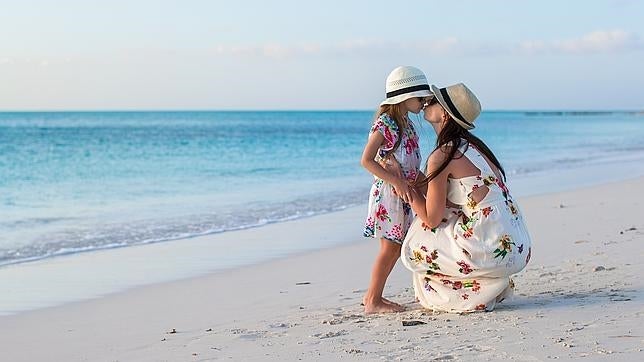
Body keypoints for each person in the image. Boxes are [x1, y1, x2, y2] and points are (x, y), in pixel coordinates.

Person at [401, 83, 532, 313]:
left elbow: (432, 218)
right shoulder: (476, 148)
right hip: (516, 244)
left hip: (492, 247)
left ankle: (468, 291)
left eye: (432, 101)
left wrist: (407, 192)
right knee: (448, 215)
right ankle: (488, 283)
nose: (425, 104)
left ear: (444, 114)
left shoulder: (443, 155)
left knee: (420, 234)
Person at [361, 66, 431, 314]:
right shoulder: (386, 123)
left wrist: (429, 185)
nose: (424, 103)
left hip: (403, 192)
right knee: (390, 247)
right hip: (390, 194)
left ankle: (373, 294)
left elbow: (411, 167)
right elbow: (367, 160)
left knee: (393, 246)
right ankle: (373, 300)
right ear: (405, 96)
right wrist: (398, 182)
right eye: (420, 97)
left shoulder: (407, 124)